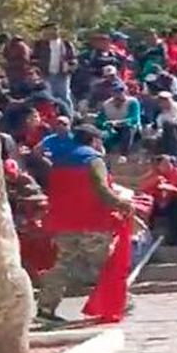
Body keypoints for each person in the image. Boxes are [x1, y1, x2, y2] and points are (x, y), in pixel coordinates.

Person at [36, 125, 134, 322]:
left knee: (63, 265)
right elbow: (101, 188)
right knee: (106, 263)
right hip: (91, 221)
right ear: (94, 140)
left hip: (63, 222)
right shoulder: (93, 159)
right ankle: (119, 302)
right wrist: (120, 203)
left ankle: (45, 309)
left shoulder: (60, 160)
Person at [33, 22, 76, 116]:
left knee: (64, 97)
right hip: (45, 75)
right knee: (48, 98)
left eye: (55, 29)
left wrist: (69, 69)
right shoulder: (39, 45)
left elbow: (73, 59)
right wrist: (37, 73)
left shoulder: (65, 44)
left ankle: (68, 117)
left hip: (61, 76)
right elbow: (34, 59)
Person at [95, 84, 141, 156]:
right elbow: (100, 120)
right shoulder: (106, 104)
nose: (119, 94)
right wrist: (105, 124)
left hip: (129, 127)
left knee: (128, 129)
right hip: (111, 128)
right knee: (101, 133)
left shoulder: (132, 102)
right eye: (115, 92)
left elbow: (134, 118)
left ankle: (124, 155)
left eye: (121, 91)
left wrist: (118, 122)